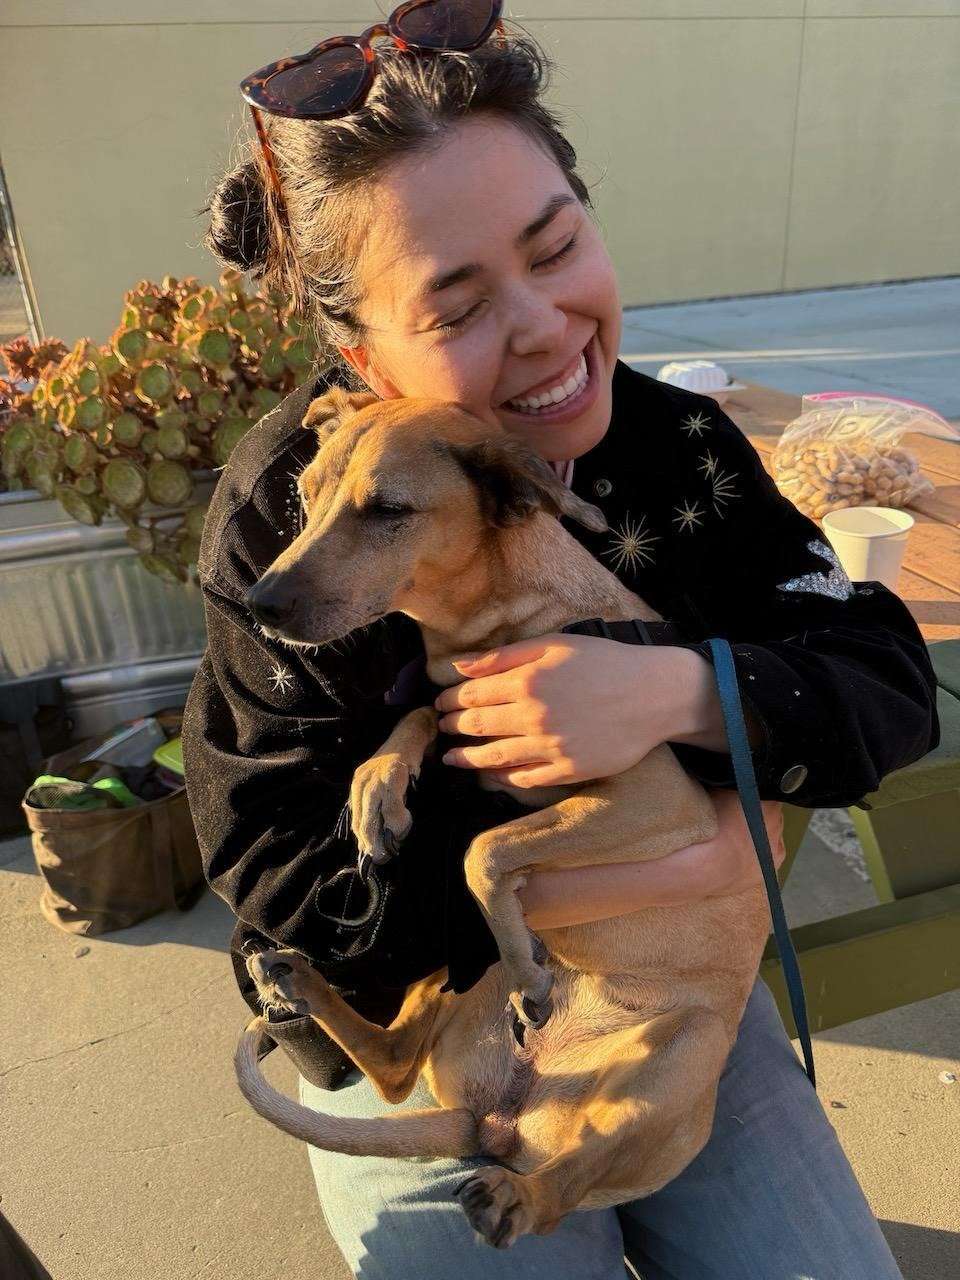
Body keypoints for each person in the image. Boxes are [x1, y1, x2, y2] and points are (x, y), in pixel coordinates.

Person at [183, 12, 937, 1278]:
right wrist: (536, 800)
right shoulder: (295, 513)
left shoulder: (676, 448)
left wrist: (682, 691)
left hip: (665, 992)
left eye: (556, 245)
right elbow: (273, 859)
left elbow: (884, 685)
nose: (542, 326)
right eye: (461, 302)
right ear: (362, 356)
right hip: (417, 1007)